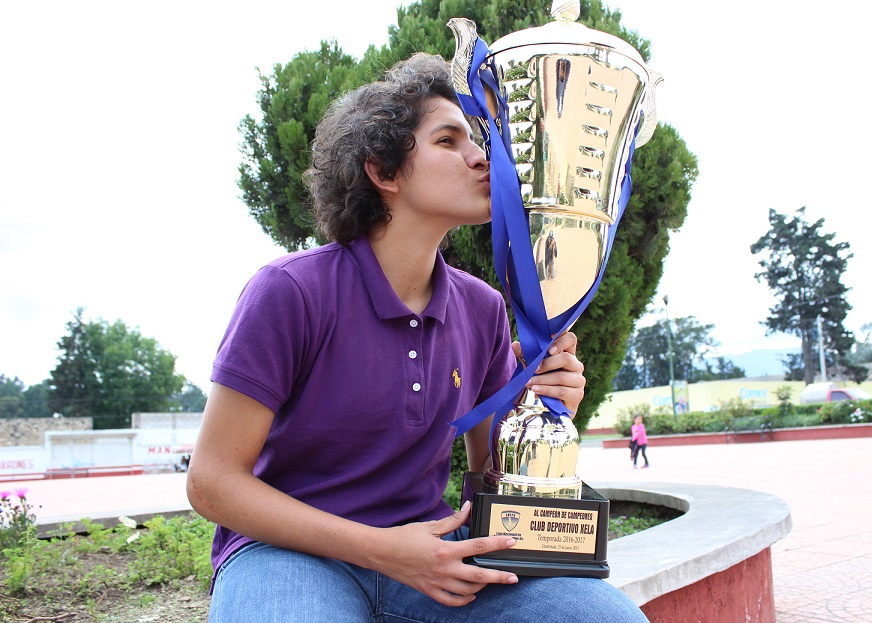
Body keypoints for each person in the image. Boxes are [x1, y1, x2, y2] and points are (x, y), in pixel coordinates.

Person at [187, 52, 648, 623]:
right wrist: (387, 551)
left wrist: (541, 410)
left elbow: (488, 478)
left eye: (478, 139)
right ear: (383, 171)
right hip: (288, 555)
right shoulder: (290, 292)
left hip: (434, 558)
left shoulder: (481, 308)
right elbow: (212, 483)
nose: (483, 157)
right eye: (449, 140)